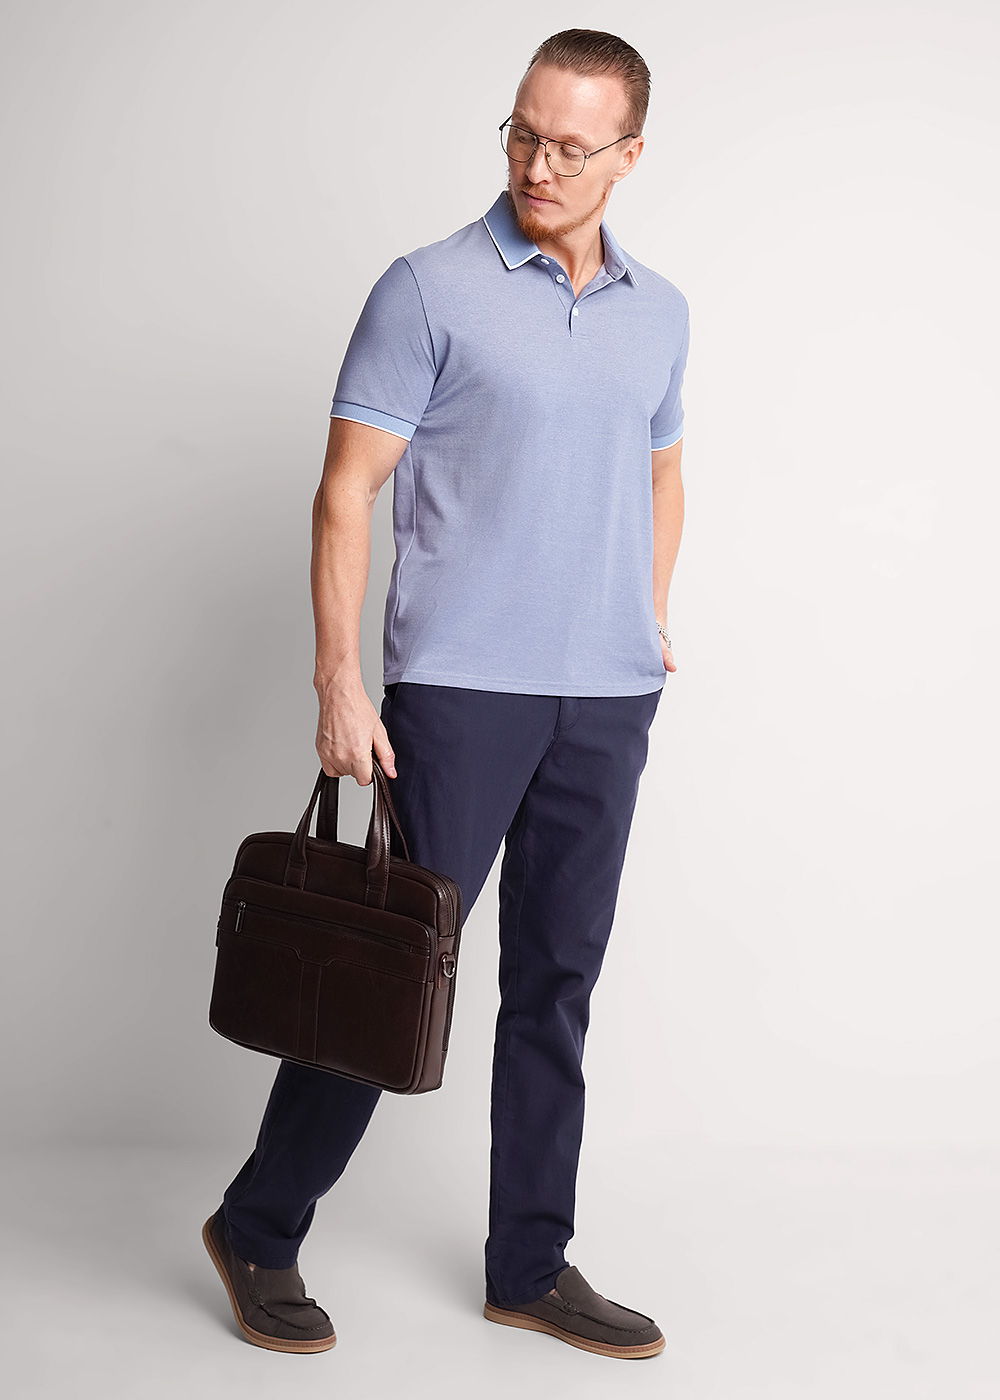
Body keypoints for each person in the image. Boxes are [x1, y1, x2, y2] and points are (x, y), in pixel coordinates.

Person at [202, 27, 689, 1361]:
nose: (539, 165)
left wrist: (648, 617)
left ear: (630, 154)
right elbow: (345, 490)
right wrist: (340, 679)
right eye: (523, 133)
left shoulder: (660, 311)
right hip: (461, 692)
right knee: (388, 972)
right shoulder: (427, 290)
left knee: (556, 986)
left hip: (607, 699)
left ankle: (529, 1263)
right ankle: (259, 1226)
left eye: (571, 145)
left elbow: (662, 467)